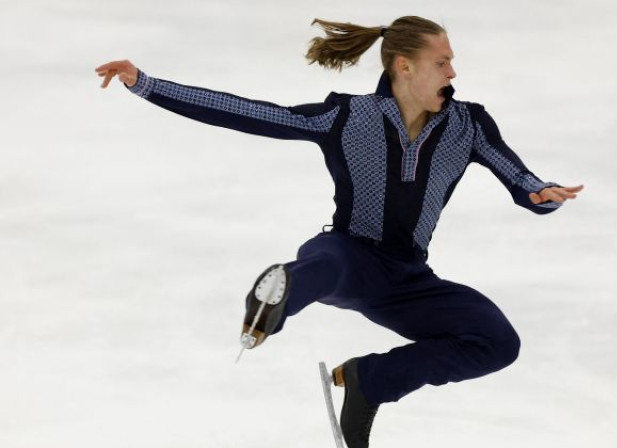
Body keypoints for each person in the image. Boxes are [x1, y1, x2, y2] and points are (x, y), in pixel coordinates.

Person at [95, 16, 583, 448]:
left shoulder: (467, 125)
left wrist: (541, 192)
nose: (453, 73)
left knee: (497, 342)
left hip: (408, 279)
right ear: (405, 67)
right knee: (327, 268)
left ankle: (371, 380)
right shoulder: (349, 116)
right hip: (349, 252)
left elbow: (520, 178)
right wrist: (147, 85)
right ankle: (271, 304)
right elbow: (251, 113)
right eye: (443, 62)